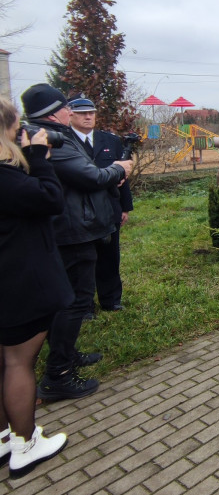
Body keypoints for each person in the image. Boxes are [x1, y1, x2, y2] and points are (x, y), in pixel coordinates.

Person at [20, 84, 134, 401]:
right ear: (53, 112)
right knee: (76, 301)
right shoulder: (49, 139)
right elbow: (90, 176)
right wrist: (118, 169)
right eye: (66, 108)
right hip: (73, 231)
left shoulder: (46, 134)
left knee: (69, 297)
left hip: (73, 226)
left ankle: (67, 354)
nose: (72, 112)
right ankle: (58, 374)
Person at [0, 97, 69, 477]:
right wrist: (40, 157)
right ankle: (25, 444)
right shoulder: (6, 179)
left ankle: (4, 438)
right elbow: (50, 199)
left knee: (2, 361)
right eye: (16, 130)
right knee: (18, 363)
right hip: (18, 280)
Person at [68, 95, 133, 313]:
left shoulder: (110, 141)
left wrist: (124, 207)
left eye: (91, 113)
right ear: (70, 115)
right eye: (82, 113)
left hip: (109, 207)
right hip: (80, 210)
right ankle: (84, 306)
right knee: (82, 262)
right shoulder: (65, 141)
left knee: (109, 257)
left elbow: (123, 176)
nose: (88, 117)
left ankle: (111, 299)